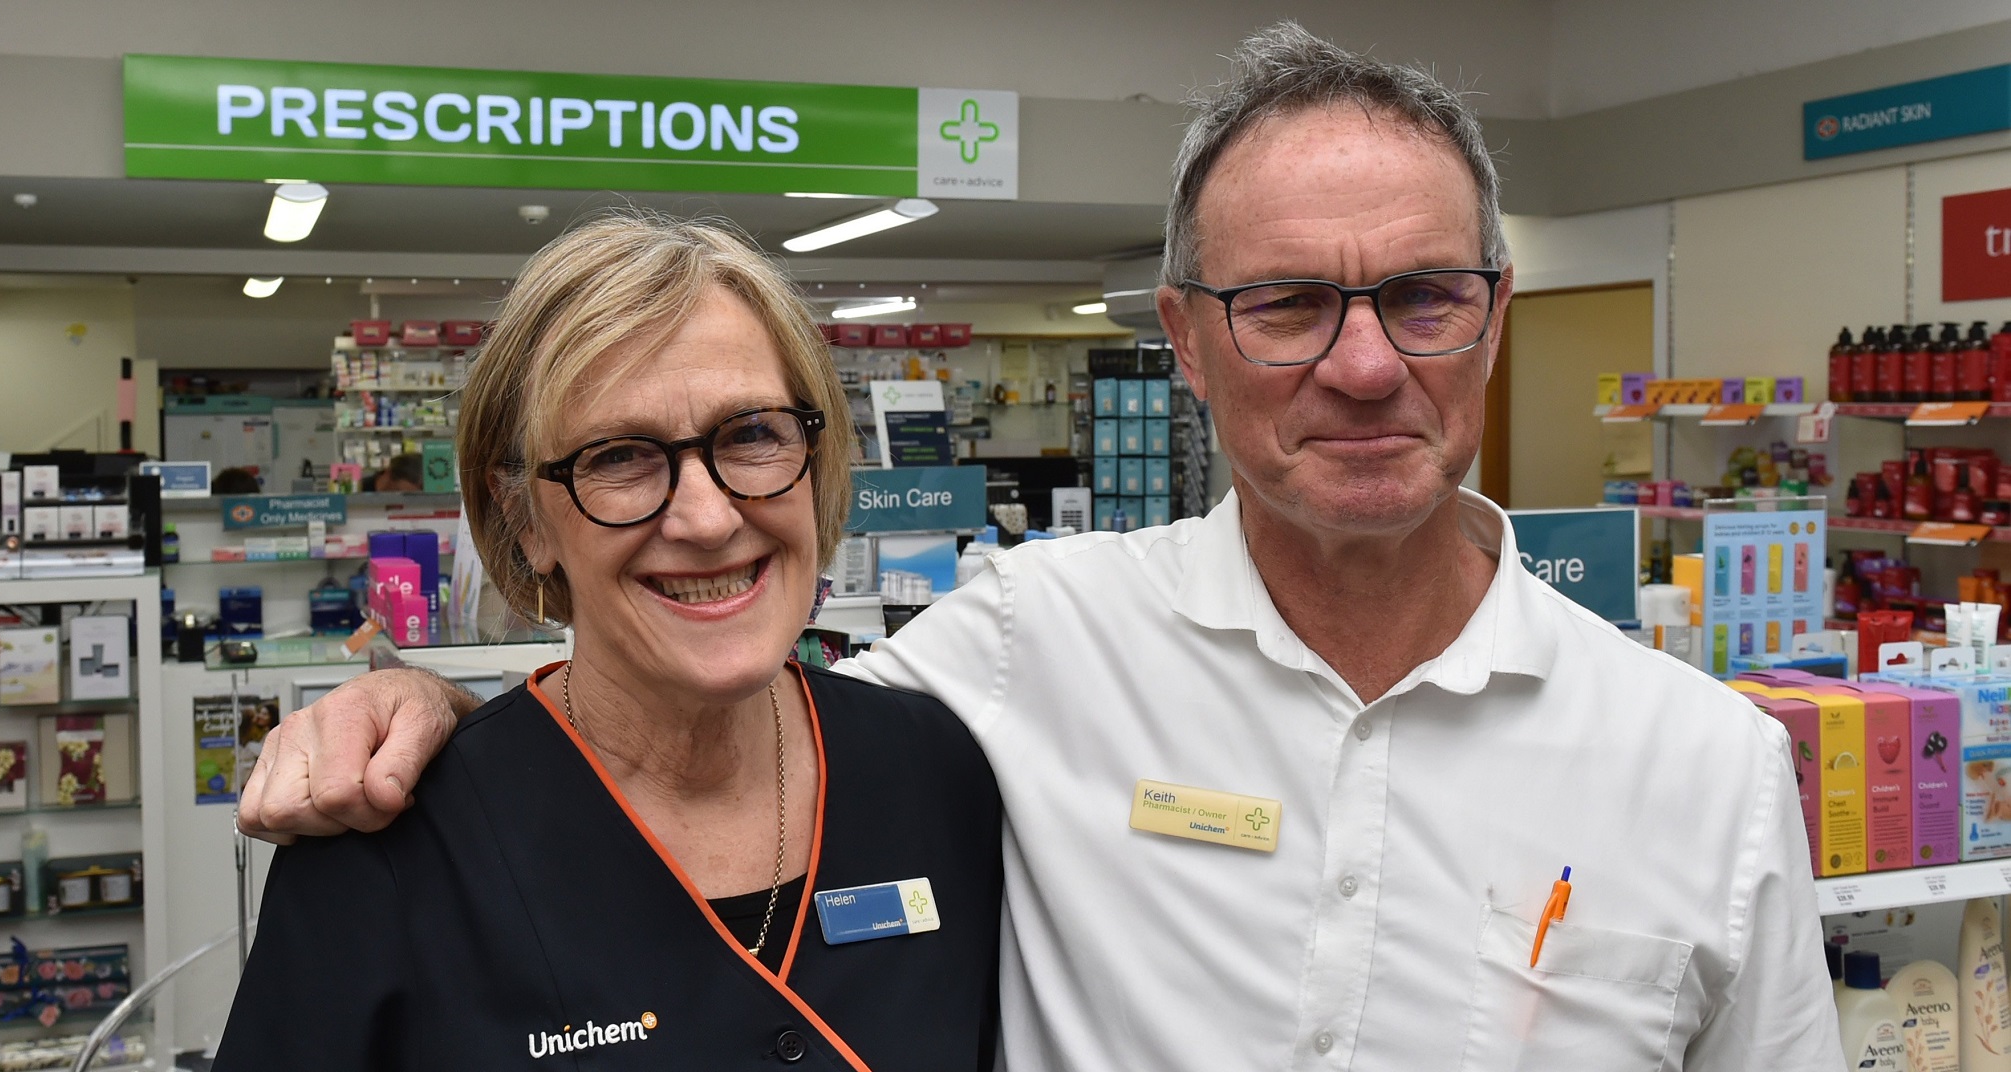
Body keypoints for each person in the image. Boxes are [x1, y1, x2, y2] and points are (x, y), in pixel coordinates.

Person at [240, 24, 1841, 1071]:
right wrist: (437, 722)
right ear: (1185, 344)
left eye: (1420, 294)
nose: (1363, 365)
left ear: (1491, 319)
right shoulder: (1029, 651)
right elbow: (673, 696)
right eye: (1283, 303)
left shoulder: (1699, 771)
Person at [213, 214, 1001, 1070]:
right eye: (621, 456)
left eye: (751, 435)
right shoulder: (386, 852)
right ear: (523, 518)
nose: (707, 519)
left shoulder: (942, 775)